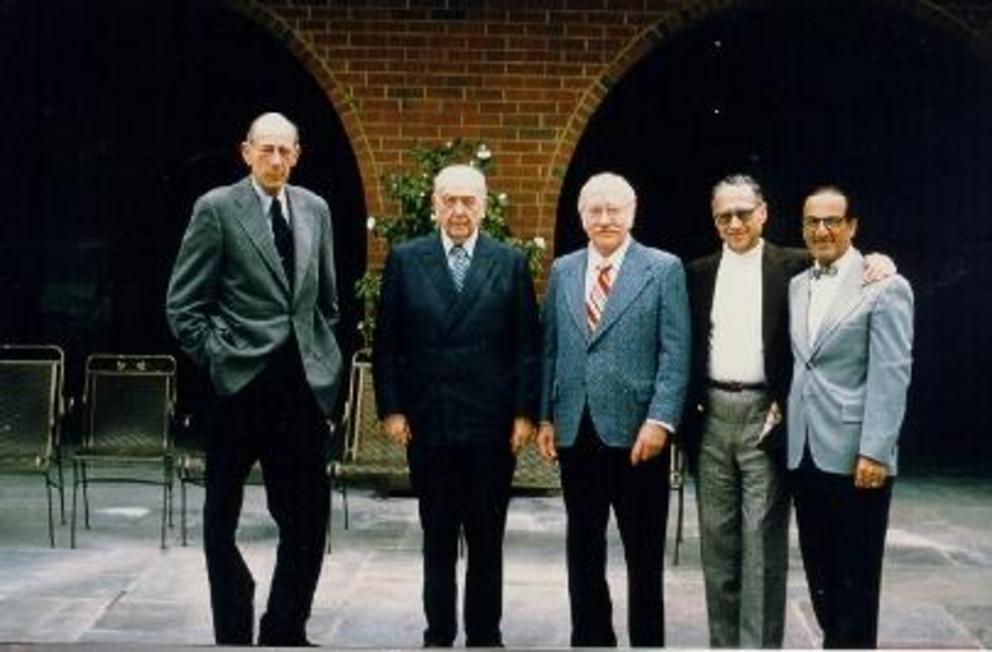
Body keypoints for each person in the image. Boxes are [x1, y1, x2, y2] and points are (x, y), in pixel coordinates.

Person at [166, 112, 342, 647]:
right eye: (266, 150)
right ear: (246, 152)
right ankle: (234, 632)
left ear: (297, 153)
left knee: (308, 522)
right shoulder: (217, 209)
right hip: (239, 390)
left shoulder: (315, 209)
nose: (275, 160)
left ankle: (285, 630)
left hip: (301, 392)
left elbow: (326, 304)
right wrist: (222, 359)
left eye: (285, 151)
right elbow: (183, 306)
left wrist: (323, 360)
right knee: (221, 524)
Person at [373, 164, 540, 647]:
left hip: (491, 431)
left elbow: (527, 344)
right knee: (438, 540)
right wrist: (393, 409)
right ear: (435, 206)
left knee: (487, 543)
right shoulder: (407, 260)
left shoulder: (508, 262)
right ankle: (438, 635)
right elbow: (388, 343)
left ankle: (486, 635)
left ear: (485, 207)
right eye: (450, 200)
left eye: (469, 201)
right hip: (431, 426)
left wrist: (525, 413)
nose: (460, 210)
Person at [537, 172, 691, 647]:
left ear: (632, 213)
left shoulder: (662, 268)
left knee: (643, 556)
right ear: (582, 217)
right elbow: (550, 348)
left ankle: (646, 642)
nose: (605, 219)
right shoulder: (564, 268)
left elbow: (676, 351)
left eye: (614, 210)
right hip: (576, 428)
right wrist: (545, 414)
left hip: (639, 436)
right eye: (595, 211)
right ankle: (591, 639)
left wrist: (661, 420)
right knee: (582, 549)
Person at [788, 186, 914, 649]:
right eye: (812, 222)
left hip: (857, 458)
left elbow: (892, 372)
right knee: (820, 574)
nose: (821, 230)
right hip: (804, 453)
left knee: (856, 585)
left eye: (832, 221)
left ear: (852, 226)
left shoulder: (884, 284)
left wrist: (876, 451)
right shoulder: (798, 284)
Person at [684, 174, 804, 648]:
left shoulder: (794, 265)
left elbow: (846, 269)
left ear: (763, 213)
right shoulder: (697, 273)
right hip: (712, 413)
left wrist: (879, 262)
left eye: (743, 213)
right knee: (717, 543)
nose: (734, 223)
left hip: (765, 413)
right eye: (724, 215)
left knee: (762, 546)